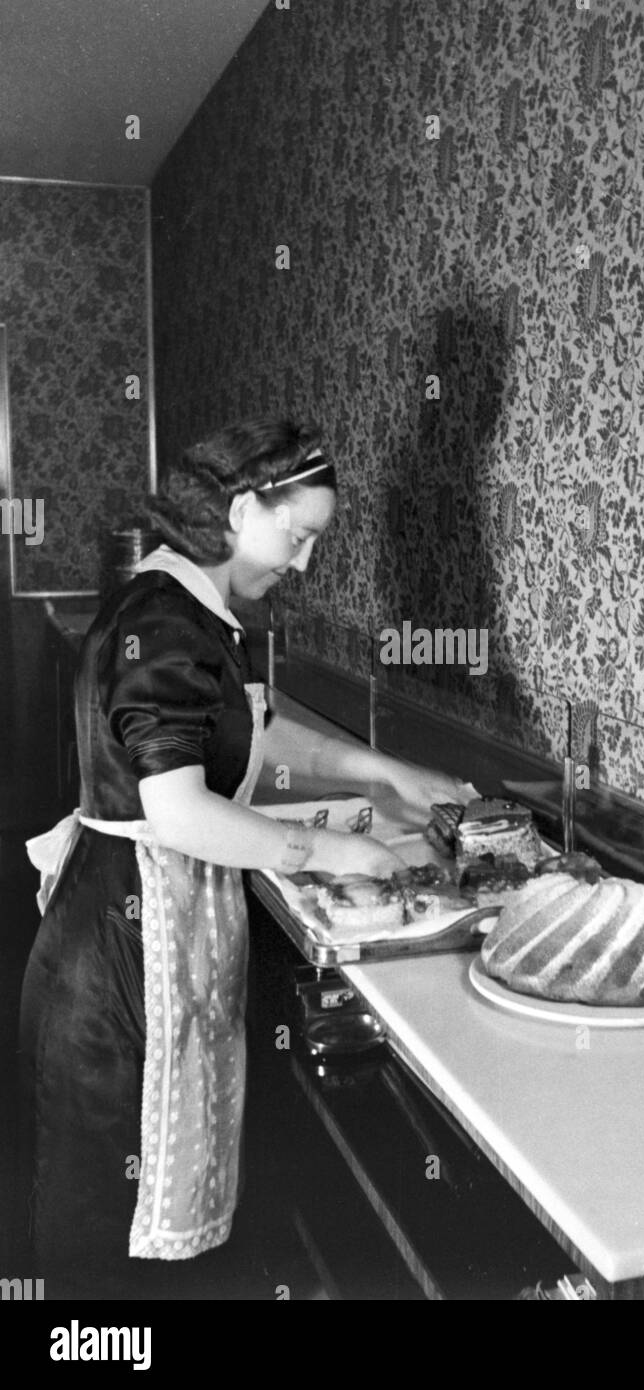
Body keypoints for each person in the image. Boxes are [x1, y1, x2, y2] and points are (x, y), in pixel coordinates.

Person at [18, 415, 465, 1298]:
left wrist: (382, 770)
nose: (301, 564)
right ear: (234, 510)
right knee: (109, 1241)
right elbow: (177, 809)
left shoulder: (183, 606)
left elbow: (248, 725)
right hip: (122, 955)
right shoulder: (168, 622)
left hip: (131, 926)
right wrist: (328, 847)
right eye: (298, 537)